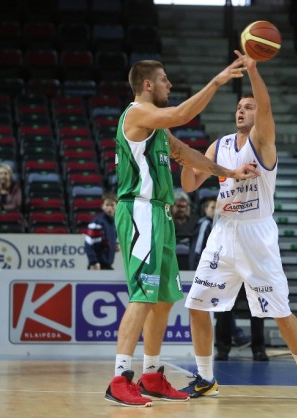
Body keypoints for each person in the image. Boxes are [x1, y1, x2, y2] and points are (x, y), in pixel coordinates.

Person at [104, 58, 260, 408]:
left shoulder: (157, 128)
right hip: (140, 210)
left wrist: (229, 172)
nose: (169, 84)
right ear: (147, 85)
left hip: (160, 214)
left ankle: (151, 374)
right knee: (143, 296)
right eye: (164, 80)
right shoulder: (137, 114)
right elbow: (181, 113)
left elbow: (187, 154)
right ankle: (119, 378)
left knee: (163, 300)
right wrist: (217, 81)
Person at [180, 51, 297, 400]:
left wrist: (254, 71)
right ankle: (205, 377)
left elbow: (267, 108)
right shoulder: (219, 146)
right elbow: (190, 184)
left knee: (281, 312)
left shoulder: (263, 142)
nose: (241, 110)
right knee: (197, 305)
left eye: (248, 106)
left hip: (257, 234)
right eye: (238, 107)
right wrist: (183, 156)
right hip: (224, 232)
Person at [189, 197, 264, 361]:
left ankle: (259, 349)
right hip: (227, 268)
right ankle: (223, 349)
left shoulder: (254, 221)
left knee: (257, 308)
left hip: (250, 268)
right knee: (223, 309)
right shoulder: (219, 223)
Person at [84, 191, 118, 270]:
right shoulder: (97, 222)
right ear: (102, 206)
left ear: (117, 206)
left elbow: (110, 240)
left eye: (112, 205)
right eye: (107, 205)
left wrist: (116, 244)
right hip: (97, 266)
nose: (109, 208)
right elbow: (88, 243)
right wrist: (93, 262)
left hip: (107, 265)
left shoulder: (114, 222)